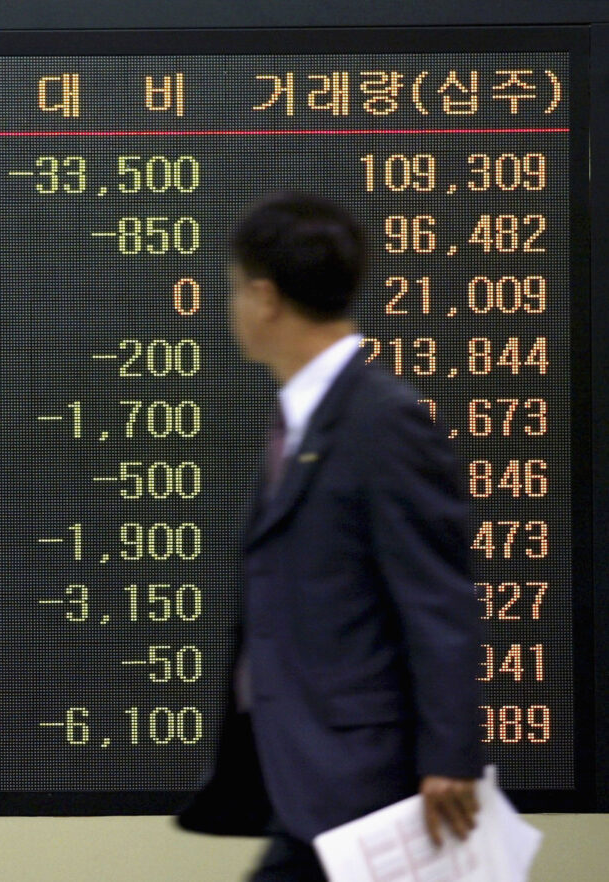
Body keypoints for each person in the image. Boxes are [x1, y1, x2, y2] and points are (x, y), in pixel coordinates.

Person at [177, 191, 484, 881]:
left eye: (233, 290)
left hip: (362, 784)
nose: (232, 309)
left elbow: (438, 603)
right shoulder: (304, 422)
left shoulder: (383, 422)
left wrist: (449, 757)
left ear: (265, 298)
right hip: (306, 775)